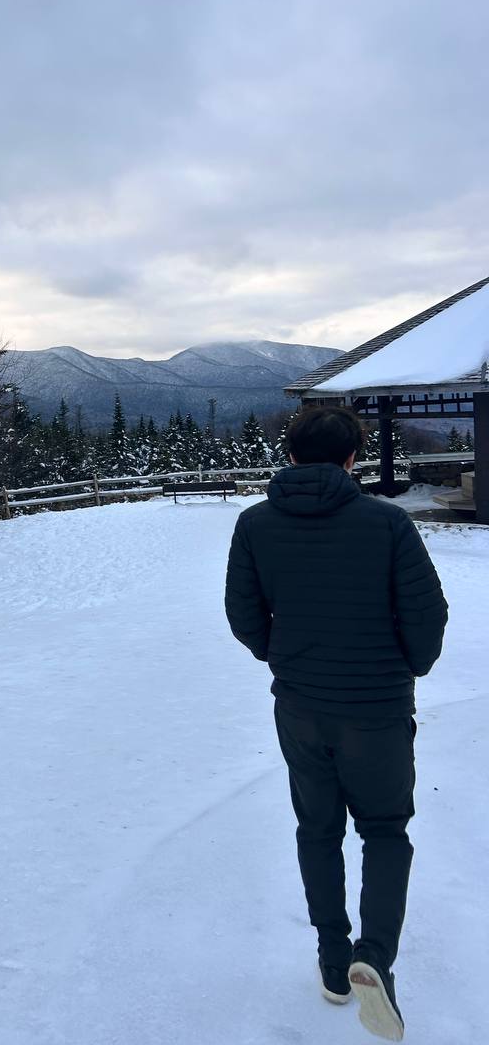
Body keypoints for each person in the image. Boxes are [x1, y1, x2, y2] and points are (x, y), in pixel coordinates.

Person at [224, 406, 447, 1043]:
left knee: (317, 829)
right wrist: (406, 667)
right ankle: (372, 956)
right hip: (376, 708)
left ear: (291, 454)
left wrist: (283, 655)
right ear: (353, 457)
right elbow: (427, 615)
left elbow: (243, 613)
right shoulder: (387, 523)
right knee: (384, 830)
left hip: (300, 705)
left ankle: (331, 961)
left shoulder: (254, 524)